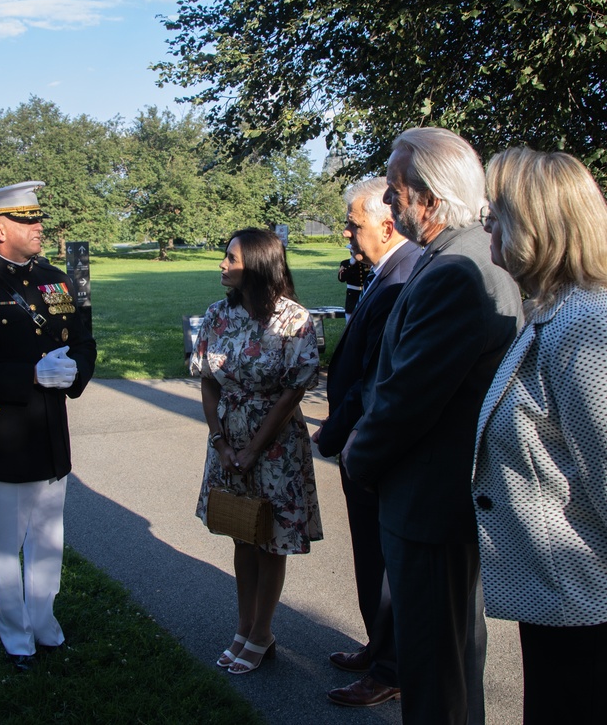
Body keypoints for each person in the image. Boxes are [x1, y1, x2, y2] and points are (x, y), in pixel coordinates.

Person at [342, 127, 523, 724]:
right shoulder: (456, 256)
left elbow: (404, 400)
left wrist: (357, 460)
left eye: (394, 193)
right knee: (445, 665)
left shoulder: (456, 270)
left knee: (436, 675)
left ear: (431, 196)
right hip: (437, 497)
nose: (389, 208)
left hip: (429, 502)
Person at [0, 181, 97, 671]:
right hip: (3, 437)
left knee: (50, 537)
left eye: (38, 219)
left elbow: (85, 340)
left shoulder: (61, 281)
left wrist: (76, 375)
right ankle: (16, 637)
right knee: (6, 544)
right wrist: (28, 374)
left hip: (51, 432)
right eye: (27, 221)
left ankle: (44, 624)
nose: (38, 227)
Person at [475, 147, 607, 723]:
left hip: (587, 609)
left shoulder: (584, 326)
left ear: (535, 224)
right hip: (561, 603)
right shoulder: (555, 312)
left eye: (496, 212)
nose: (485, 225)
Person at [191, 227, 322, 675]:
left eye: (231, 258)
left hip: (276, 443)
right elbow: (208, 381)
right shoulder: (216, 316)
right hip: (228, 441)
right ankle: (244, 627)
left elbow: (291, 394)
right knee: (241, 533)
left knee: (270, 541)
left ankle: (262, 633)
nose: (222, 264)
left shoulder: (295, 320)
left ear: (259, 265)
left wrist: (254, 449)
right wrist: (221, 442)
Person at [312, 177, 419, 707]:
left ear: (387, 222)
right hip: (361, 437)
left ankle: (389, 668)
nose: (348, 235)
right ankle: (379, 647)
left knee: (382, 563)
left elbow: (374, 374)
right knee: (369, 556)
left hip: (369, 441)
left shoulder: (402, 274)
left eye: (354, 224)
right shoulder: (384, 271)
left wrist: (330, 434)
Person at [338, 255, 369, 321]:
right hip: (352, 293)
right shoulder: (345, 263)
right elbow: (341, 278)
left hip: (365, 292)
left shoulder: (367, 262)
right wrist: (350, 264)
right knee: (350, 315)